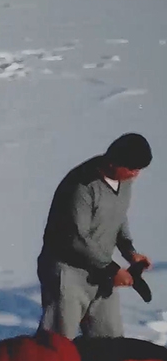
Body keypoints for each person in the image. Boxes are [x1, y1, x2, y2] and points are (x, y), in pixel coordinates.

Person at [38, 133, 151, 339]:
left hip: (100, 271)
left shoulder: (123, 181)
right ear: (113, 163)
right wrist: (112, 269)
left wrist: (129, 252)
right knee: (58, 342)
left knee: (111, 339)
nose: (136, 175)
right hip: (67, 272)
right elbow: (76, 238)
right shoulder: (81, 185)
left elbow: (117, 216)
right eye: (133, 169)